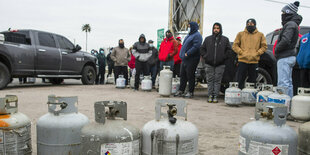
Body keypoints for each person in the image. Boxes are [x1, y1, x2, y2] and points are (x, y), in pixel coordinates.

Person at [275, 1, 302, 98]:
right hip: (290, 56)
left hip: (285, 56)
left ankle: (282, 105)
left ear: (288, 12)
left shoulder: (290, 24)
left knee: (283, 83)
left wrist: (277, 50)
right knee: (288, 83)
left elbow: (286, 40)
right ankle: (288, 104)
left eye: (283, 13)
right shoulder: (294, 24)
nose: (282, 15)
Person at [200, 22, 232, 103]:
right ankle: (210, 95)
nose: (216, 30)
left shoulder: (225, 39)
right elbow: (202, 49)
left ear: (220, 29)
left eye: (217, 28)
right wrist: (206, 56)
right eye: (215, 28)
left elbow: (229, 50)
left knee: (217, 81)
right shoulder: (207, 39)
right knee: (210, 80)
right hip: (209, 63)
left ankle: (215, 96)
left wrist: (223, 57)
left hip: (220, 64)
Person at [232, 18, 267, 90]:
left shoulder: (260, 35)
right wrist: (242, 53)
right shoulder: (240, 34)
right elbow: (235, 46)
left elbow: (264, 46)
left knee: (253, 81)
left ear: (255, 24)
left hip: (254, 61)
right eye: (248, 24)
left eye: (251, 24)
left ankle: (251, 97)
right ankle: (240, 95)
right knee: (240, 80)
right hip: (242, 61)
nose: (249, 25)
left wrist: (257, 53)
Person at [174, 22, 202, 98]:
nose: (188, 28)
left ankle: (190, 91)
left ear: (193, 27)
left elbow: (196, 46)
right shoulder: (189, 35)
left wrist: (188, 53)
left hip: (192, 59)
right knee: (182, 75)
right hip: (185, 59)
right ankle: (181, 90)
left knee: (190, 75)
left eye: (189, 26)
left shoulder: (197, 35)